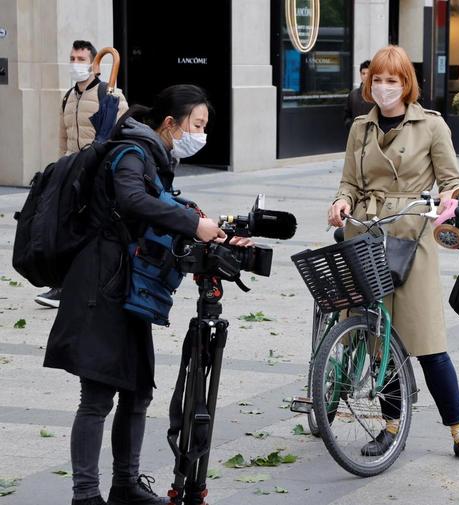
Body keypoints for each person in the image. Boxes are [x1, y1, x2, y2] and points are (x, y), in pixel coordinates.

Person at [44, 84, 251, 505]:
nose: (201, 134)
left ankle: (125, 484)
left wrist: (203, 223)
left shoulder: (155, 157)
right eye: (197, 125)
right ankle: (85, 495)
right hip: (100, 285)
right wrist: (193, 225)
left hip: (128, 285)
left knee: (137, 388)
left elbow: (157, 204)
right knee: (98, 394)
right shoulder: (132, 152)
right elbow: (133, 200)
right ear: (170, 123)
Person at [328, 45, 459, 465]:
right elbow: (349, 182)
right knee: (378, 338)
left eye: (393, 80)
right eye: (378, 80)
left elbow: (452, 179)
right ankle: (391, 427)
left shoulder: (431, 126)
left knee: (427, 340)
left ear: (406, 84)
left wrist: (449, 200)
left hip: (411, 234)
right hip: (365, 233)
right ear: (369, 83)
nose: (384, 88)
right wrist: (341, 202)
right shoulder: (360, 129)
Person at [35, 40, 129, 309]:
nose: (75, 63)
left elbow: (121, 134)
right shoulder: (68, 97)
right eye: (72, 58)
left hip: (98, 174)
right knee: (67, 229)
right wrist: (60, 169)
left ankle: (89, 285)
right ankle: (64, 285)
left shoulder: (109, 94)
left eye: (80, 58)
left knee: (95, 232)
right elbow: (64, 138)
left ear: (94, 64)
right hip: (73, 173)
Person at [343, 59, 374, 127]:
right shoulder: (353, 95)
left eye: (368, 73)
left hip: (374, 135)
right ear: (360, 74)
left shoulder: (377, 94)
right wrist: (351, 126)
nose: (365, 76)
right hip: (356, 135)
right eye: (363, 73)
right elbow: (347, 115)